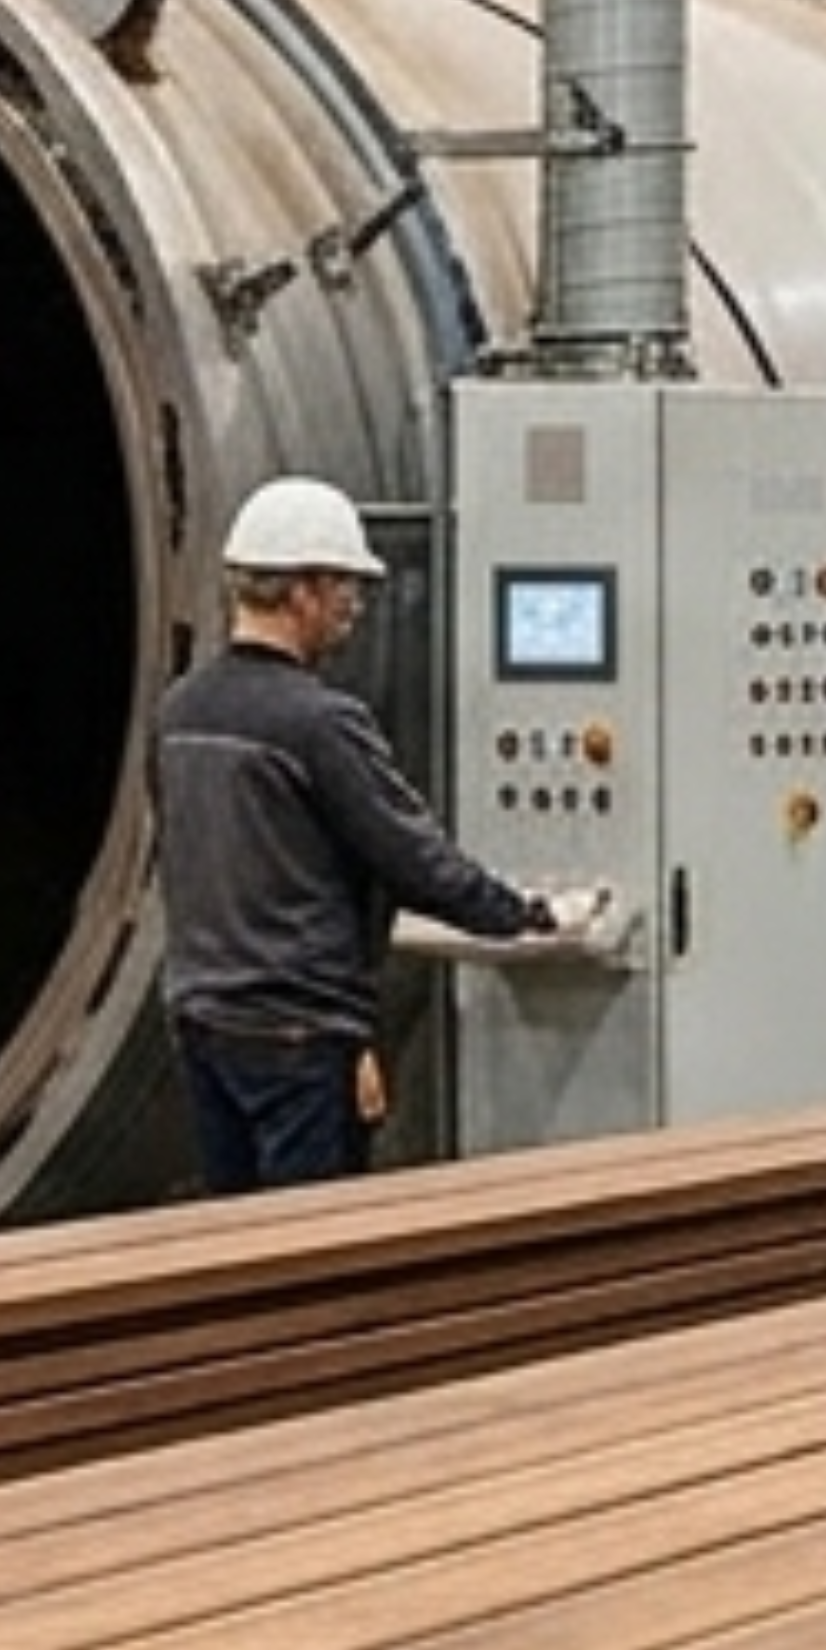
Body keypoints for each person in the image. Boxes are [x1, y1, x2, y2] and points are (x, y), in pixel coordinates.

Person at [154, 470, 556, 1195]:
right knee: (317, 1242)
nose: (356, 607)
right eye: (344, 587)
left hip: (205, 1027)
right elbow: (410, 856)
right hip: (299, 1038)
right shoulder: (318, 723)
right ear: (302, 591)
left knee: (235, 1237)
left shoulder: (180, 712)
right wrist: (519, 915)